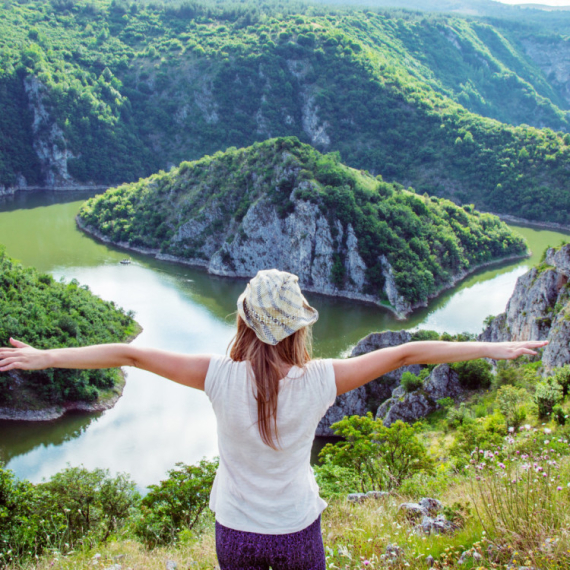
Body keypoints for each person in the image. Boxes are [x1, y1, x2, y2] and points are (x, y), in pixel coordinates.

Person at [0, 269, 547, 570]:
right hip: (295, 530)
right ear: (297, 327)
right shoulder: (322, 380)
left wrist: (46, 358)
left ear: (243, 319)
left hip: (235, 532)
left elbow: (130, 354)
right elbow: (409, 353)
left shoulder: (216, 374)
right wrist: (494, 349)